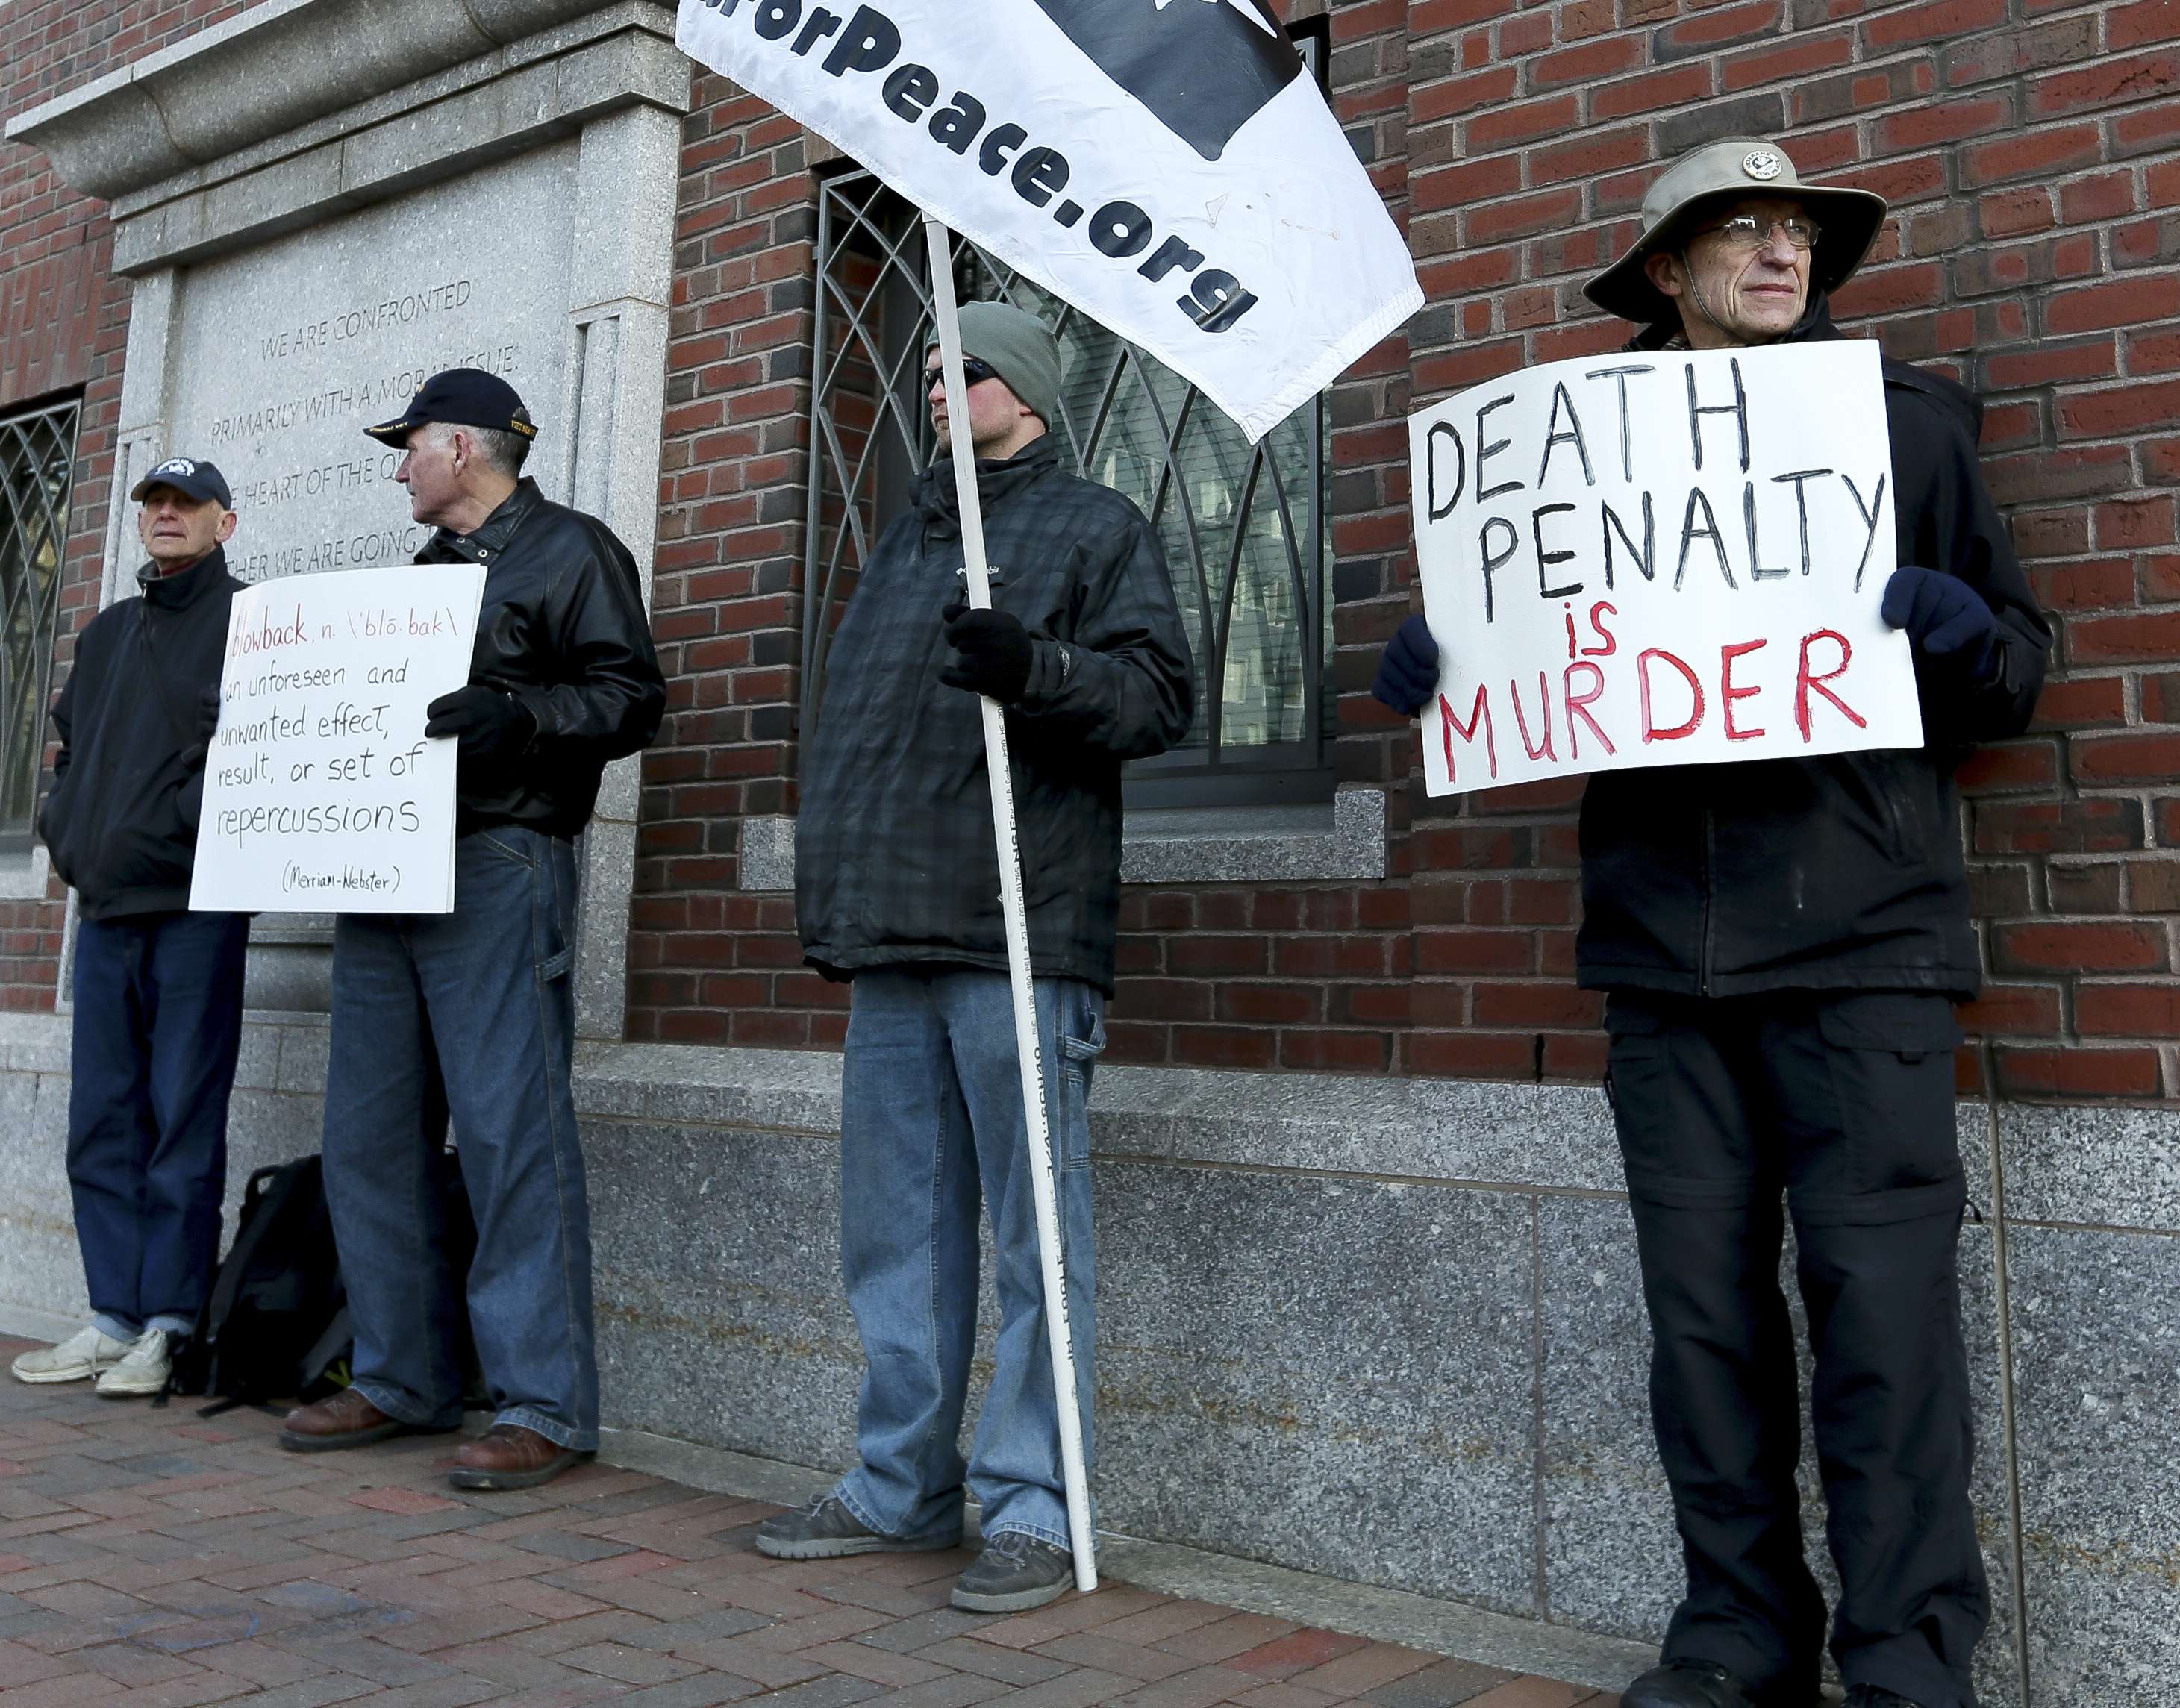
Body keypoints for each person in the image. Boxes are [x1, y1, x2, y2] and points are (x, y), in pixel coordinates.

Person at [1373, 139, 2049, 1708]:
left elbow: (2012, 662)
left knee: (1880, 1327)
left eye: (1796, 229)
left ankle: (1904, 1662)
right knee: (1699, 1329)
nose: (1776, 250)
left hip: (1860, 939)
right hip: (1656, 955)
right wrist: (1454, 658)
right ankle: (1736, 1634)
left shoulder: (1901, 428)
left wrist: (1956, 636)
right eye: (1732, 231)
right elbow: (1546, 648)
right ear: (1662, 272)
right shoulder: (1562, 458)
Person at [767, 301, 1193, 1612]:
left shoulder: (1095, 526)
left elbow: (1159, 697)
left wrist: (1039, 667)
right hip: (895, 927)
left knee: (1033, 1237)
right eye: (933, 372)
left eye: (969, 368)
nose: (942, 390)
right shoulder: (905, 540)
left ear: (1034, 388)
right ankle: (899, 1478)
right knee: (895, 1231)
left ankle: (1030, 1497)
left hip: (1019, 924)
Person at [278, 369, 664, 1490]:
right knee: (369, 1133)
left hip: (498, 862)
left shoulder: (571, 550)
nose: (399, 466)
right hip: (387, 866)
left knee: (509, 1133)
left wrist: (522, 717)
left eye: (410, 447)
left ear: (464, 447)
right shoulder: (429, 573)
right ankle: (401, 1374)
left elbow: (631, 696)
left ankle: (543, 1401)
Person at [16, 457, 249, 1400]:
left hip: (195, 909)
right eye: (153, 502)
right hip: (105, 912)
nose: (165, 515)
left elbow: (257, 752)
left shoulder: (253, 623)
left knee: (181, 1124)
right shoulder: (107, 632)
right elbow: (68, 755)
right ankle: (111, 1314)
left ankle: (168, 1323)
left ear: (223, 525)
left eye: (185, 504)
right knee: (102, 1123)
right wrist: (64, 835)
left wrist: (182, 828)